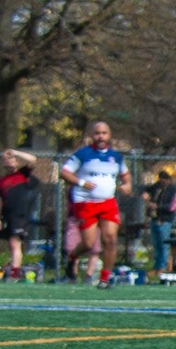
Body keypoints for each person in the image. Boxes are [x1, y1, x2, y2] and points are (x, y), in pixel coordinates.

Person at [61, 121, 131, 286]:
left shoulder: (117, 157)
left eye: (104, 133)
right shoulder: (83, 154)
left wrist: (127, 184)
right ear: (93, 136)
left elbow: (126, 175)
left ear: (109, 135)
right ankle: (72, 257)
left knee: (111, 239)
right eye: (97, 133)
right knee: (88, 243)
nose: (101, 136)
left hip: (107, 203)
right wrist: (81, 183)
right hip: (85, 203)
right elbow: (64, 172)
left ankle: (105, 278)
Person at [0, 148, 39, 279]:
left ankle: (14, 274)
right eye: (6, 160)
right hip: (9, 216)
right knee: (12, 244)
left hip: (21, 215)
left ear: (16, 161)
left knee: (14, 243)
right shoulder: (2, 181)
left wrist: (15, 152)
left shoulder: (23, 174)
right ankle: (13, 271)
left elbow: (33, 159)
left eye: (11, 159)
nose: (9, 162)